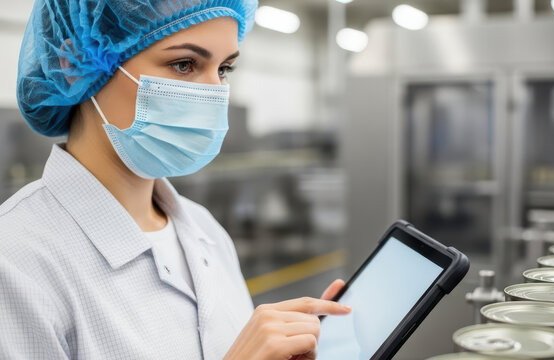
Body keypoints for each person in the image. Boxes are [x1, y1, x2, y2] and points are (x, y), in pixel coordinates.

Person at [0, 0, 351, 359]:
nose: (214, 92)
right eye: (184, 64)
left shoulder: (204, 230)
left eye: (225, 68)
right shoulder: (14, 262)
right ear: (73, 65)